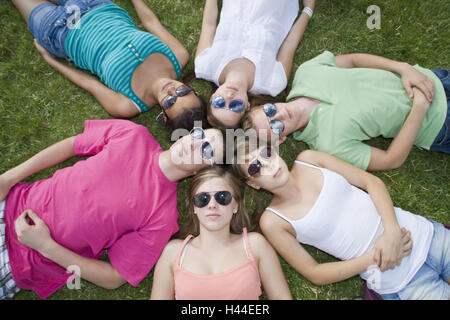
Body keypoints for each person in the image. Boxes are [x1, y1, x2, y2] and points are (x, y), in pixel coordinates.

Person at [0, 119, 224, 299]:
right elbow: (73, 145)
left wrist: (46, 246)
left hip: (20, 259)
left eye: (205, 150)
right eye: (199, 135)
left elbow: (115, 277)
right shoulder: (134, 134)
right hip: (9, 202)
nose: (195, 143)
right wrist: (9, 178)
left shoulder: (163, 216)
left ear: (201, 172)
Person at [232, 135, 449, 300]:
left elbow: (370, 182)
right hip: (399, 280)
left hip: (424, 235)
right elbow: (315, 273)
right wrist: (375, 257)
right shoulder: (273, 221)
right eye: (255, 167)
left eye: (266, 154)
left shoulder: (309, 159)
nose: (268, 164)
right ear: (253, 184)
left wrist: (392, 233)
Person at [12, 0, 207, 133]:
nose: (172, 91)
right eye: (183, 92)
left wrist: (51, 60)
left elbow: (87, 83)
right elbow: (151, 22)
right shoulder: (178, 57)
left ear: (164, 116)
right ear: (193, 90)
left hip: (58, 32)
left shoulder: (128, 105)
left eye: (170, 102)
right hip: (95, 4)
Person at [241, 51, 449, 171]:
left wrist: (402, 68)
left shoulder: (306, 73)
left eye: (269, 111)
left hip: (433, 78)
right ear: (281, 140)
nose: (279, 115)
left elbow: (352, 60)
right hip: (439, 124)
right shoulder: (328, 146)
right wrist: (420, 108)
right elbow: (389, 160)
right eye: (276, 126)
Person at [150, 166, 292, 300]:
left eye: (222, 197)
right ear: (194, 207)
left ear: (235, 205)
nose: (212, 205)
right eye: (203, 199)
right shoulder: (173, 253)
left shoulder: (255, 245)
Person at [195, 0, 315, 130]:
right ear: (247, 106)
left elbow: (209, 24)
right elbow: (290, 44)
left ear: (212, 97)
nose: (229, 97)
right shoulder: (272, 82)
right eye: (235, 106)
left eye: (219, 102)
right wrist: (308, 9)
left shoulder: (204, 65)